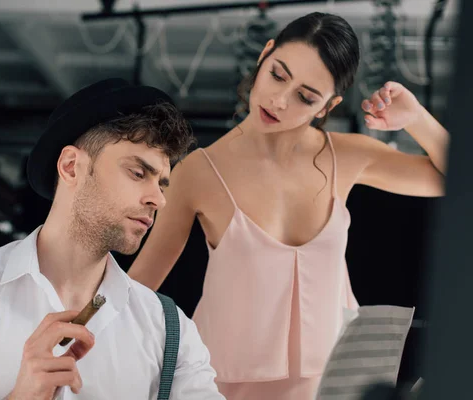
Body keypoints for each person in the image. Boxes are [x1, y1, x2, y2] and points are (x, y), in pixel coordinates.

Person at [128, 12, 449, 400]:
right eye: (278, 74)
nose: (279, 100)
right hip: (221, 387)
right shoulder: (198, 171)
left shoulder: (344, 157)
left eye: (305, 96)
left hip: (334, 385)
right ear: (265, 55)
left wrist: (415, 118)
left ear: (327, 105)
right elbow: (137, 289)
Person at [0, 78, 226, 400]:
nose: (159, 199)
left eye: (162, 184)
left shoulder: (171, 331)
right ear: (71, 166)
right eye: (138, 173)